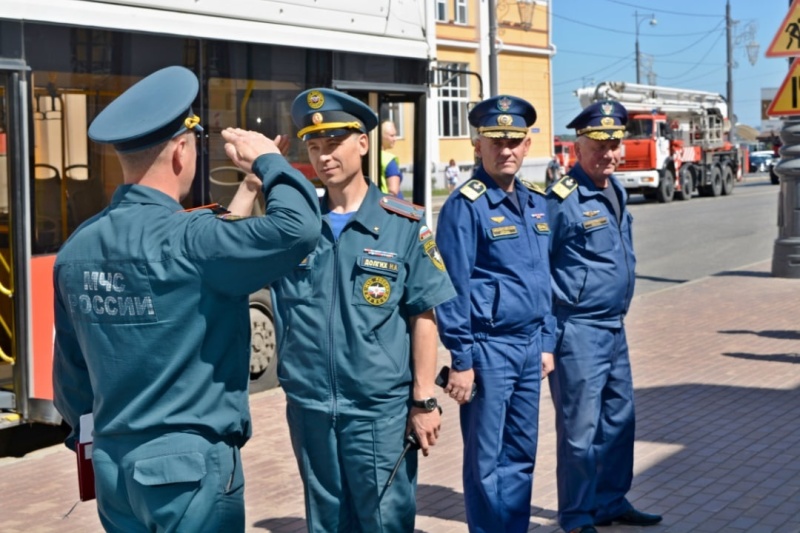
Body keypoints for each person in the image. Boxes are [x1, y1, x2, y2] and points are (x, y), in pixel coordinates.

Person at [51, 66, 321, 532]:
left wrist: (96, 440)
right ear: (181, 152)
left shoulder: (76, 248)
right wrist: (267, 162)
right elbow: (298, 230)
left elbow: (72, 380)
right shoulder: (193, 239)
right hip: (188, 467)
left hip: (114, 468)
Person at [229, 88, 456, 532]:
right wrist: (255, 181)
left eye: (333, 143)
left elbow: (423, 316)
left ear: (363, 144)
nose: (323, 156)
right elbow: (226, 250)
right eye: (314, 146)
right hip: (311, 406)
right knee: (327, 522)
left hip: (379, 412)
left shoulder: (401, 224)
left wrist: (424, 399)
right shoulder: (296, 228)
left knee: (384, 523)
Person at [435, 95, 556, 533]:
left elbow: (543, 277)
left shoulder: (535, 201)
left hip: (528, 348)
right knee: (487, 461)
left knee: (522, 455)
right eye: (496, 141)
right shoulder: (464, 205)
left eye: (515, 141)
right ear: (478, 146)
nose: (506, 150)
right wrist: (462, 361)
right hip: (488, 350)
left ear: (526, 146)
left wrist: (546, 341)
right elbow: (451, 287)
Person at [546, 101, 663, 533]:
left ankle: (610, 501)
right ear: (578, 146)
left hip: (614, 325)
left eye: (614, 145)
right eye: (598, 146)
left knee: (618, 418)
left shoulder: (616, 190)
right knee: (580, 429)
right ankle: (577, 516)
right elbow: (542, 264)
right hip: (577, 330)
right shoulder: (561, 198)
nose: (608, 154)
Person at [380, 120, 404, 197]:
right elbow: (393, 191)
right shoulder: (389, 160)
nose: (395, 139)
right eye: (392, 136)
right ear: (381, 136)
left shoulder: (368, 157)